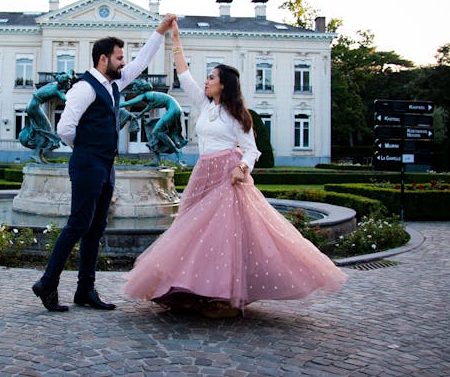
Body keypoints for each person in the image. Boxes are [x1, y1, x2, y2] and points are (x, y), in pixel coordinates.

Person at [123, 21, 347, 317]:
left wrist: (242, 166)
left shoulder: (238, 116)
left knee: (222, 238)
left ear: (223, 84)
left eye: (212, 77)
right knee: (190, 234)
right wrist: (174, 37)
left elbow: (253, 149)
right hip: (203, 174)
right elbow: (183, 73)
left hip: (227, 178)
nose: (206, 81)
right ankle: (193, 291)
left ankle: (225, 299)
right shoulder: (205, 106)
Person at [32, 13, 178, 312]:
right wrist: (86, 149)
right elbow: (64, 129)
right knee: (77, 224)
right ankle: (47, 282)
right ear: (103, 60)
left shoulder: (113, 85)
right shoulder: (84, 88)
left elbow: (140, 64)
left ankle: (85, 289)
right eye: (119, 58)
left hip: (105, 166)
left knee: (96, 229)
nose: (124, 62)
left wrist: (160, 31)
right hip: (88, 162)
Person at [119, 78, 187, 165]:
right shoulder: (150, 95)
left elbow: (127, 103)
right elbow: (150, 106)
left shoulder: (144, 95)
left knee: (156, 131)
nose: (133, 89)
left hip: (173, 110)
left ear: (141, 88)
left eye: (135, 87)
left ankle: (177, 152)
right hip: (175, 109)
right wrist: (140, 114)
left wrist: (113, 104)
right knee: (152, 128)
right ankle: (156, 160)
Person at [18, 71, 74, 163]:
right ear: (63, 83)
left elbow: (70, 73)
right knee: (46, 130)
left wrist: (71, 76)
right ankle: (36, 153)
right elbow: (67, 99)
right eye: (67, 84)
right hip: (34, 106)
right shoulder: (57, 91)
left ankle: (38, 154)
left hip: (33, 105)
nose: (68, 85)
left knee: (45, 130)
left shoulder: (55, 84)